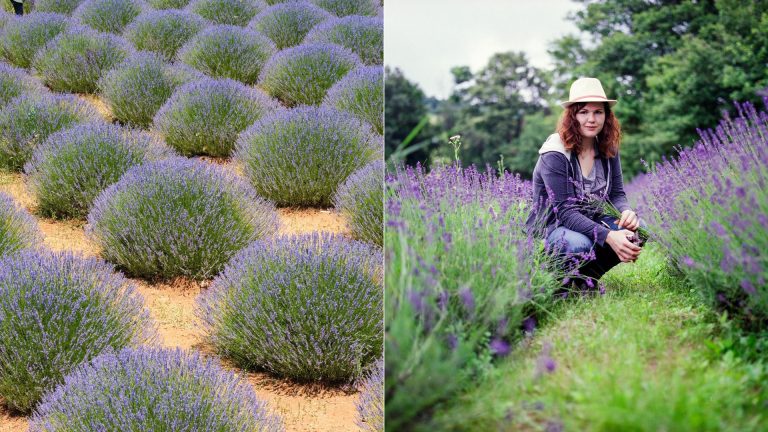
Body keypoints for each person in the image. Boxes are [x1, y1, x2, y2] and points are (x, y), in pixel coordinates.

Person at [526, 77, 643, 287]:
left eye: (598, 112)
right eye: (583, 112)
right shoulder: (555, 153)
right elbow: (565, 211)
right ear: (572, 116)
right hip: (555, 225)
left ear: (607, 116)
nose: (592, 119)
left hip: (591, 218)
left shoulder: (608, 147)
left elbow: (616, 193)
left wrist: (626, 212)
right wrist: (609, 236)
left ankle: (585, 282)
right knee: (579, 244)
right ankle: (554, 277)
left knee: (638, 231)